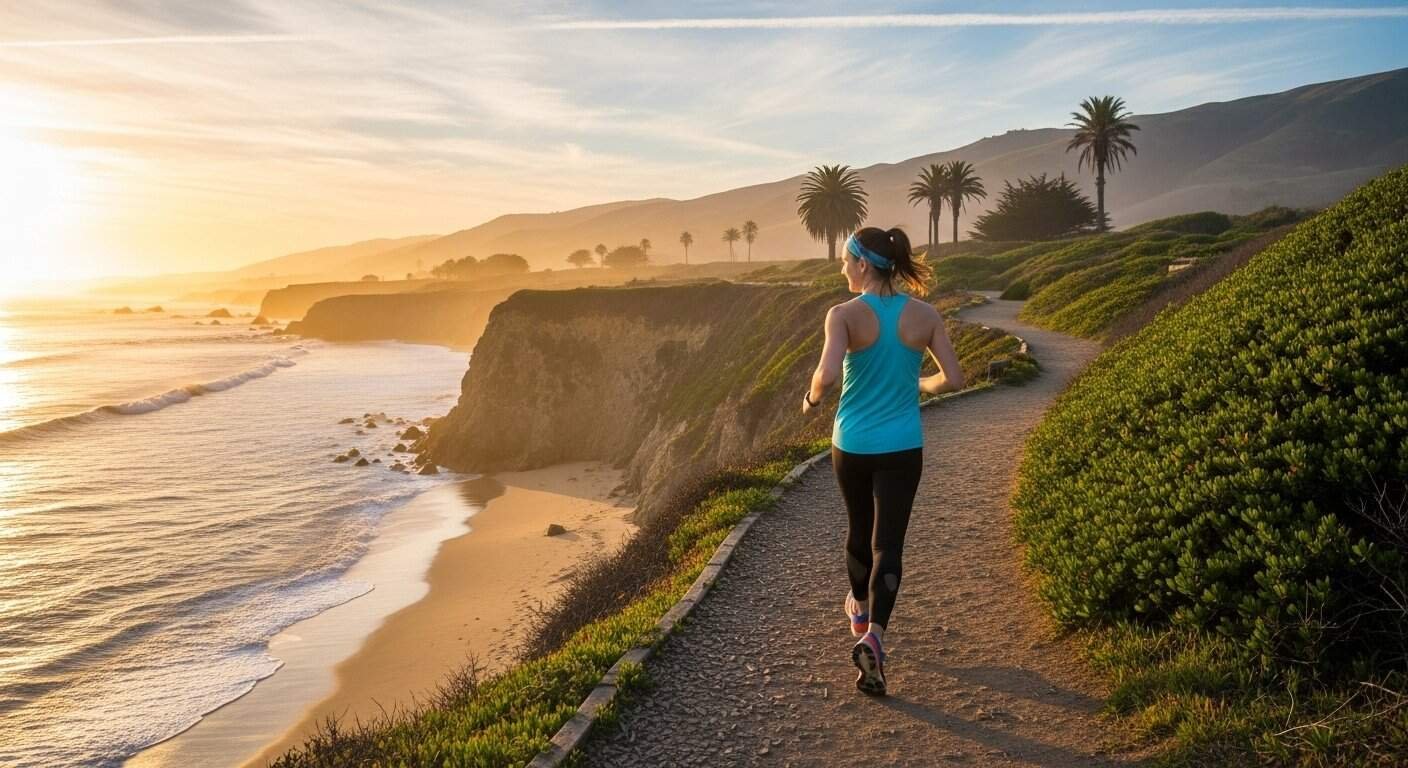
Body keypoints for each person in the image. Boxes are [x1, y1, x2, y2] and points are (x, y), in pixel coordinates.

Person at [802, 226, 965, 696]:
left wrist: (811, 400)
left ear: (863, 264)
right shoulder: (925, 315)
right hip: (902, 446)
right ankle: (876, 636)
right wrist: (920, 384)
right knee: (887, 543)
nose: (841, 268)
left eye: (844, 260)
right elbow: (953, 380)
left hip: (851, 444)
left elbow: (827, 375)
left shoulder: (844, 315)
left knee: (858, 530)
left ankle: (858, 613)